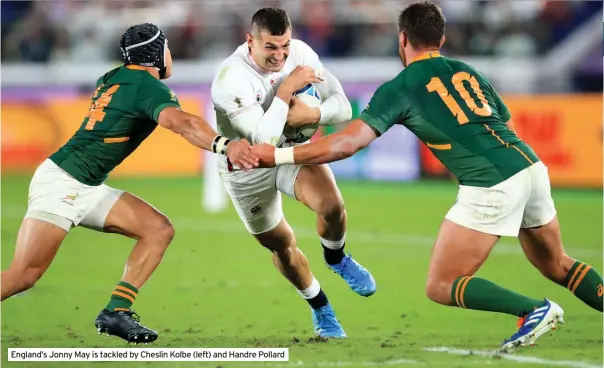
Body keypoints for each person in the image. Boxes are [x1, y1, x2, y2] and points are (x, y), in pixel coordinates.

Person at [251, 1, 603, 351]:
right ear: (442, 38)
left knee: (441, 283)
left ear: (402, 39)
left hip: (491, 182)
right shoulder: (468, 71)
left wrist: (279, 155)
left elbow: (347, 143)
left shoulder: (401, 86)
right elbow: (506, 126)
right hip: (529, 166)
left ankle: (534, 311)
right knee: (558, 264)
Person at [1, 23, 258, 344]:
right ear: (157, 53)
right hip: (63, 184)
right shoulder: (146, 87)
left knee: (157, 229)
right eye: (167, 48)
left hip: (84, 183)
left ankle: (116, 312)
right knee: (22, 276)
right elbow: (183, 123)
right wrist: (224, 145)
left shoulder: (113, 78)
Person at [210, 7, 376, 338]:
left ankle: (336, 257)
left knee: (331, 205)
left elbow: (342, 107)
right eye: (270, 47)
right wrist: (286, 91)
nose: (280, 55)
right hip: (246, 169)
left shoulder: (300, 53)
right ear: (250, 41)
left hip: (287, 153)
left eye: (284, 45)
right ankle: (320, 306)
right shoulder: (231, 78)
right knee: (282, 247)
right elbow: (261, 140)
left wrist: (312, 113)